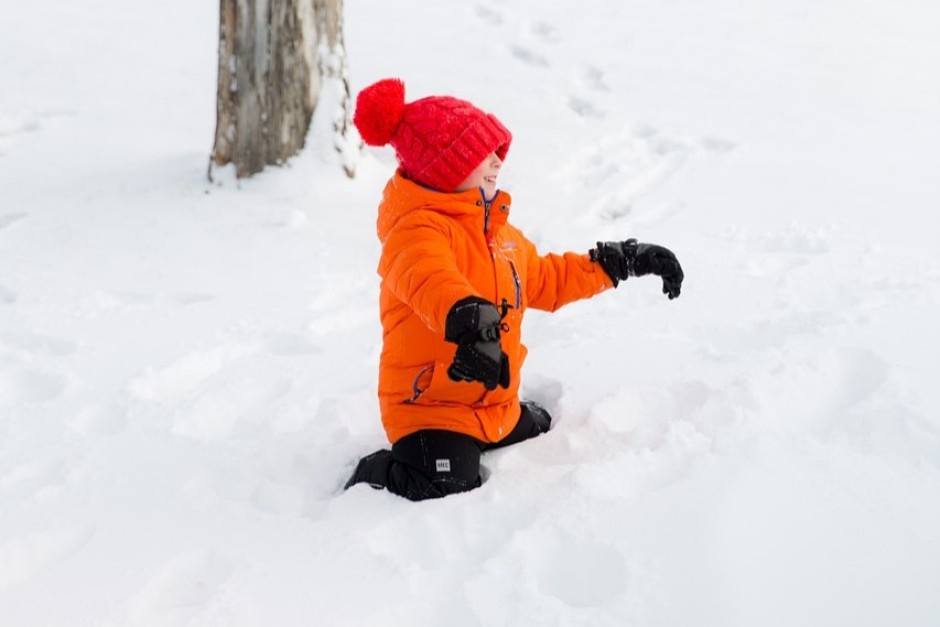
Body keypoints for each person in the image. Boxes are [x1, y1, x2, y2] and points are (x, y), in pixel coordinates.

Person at [344, 78, 684, 500]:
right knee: (447, 484)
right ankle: (377, 470)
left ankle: (502, 420)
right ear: (443, 169)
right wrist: (469, 318)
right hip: (432, 410)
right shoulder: (413, 232)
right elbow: (431, 280)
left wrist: (619, 261)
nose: (496, 162)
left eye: (497, 153)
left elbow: (548, 279)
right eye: (480, 154)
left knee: (543, 431)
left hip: (494, 406)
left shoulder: (500, 236)